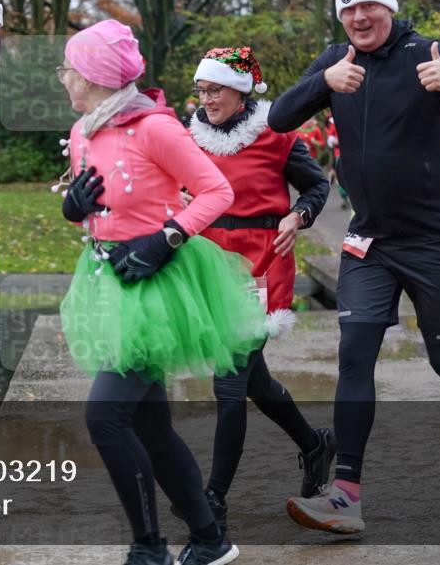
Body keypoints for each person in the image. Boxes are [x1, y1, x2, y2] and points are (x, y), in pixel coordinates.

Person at [269, 0, 440, 534]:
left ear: (388, 6)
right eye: (350, 11)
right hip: (369, 242)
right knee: (355, 355)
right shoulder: (336, 61)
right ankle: (346, 493)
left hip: (433, 240)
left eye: (371, 7)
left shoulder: (425, 51)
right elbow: (279, 118)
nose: (360, 19)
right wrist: (321, 84)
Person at [58, 20, 267, 565]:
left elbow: (216, 191)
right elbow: (96, 207)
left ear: (96, 76)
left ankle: (149, 548)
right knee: (150, 428)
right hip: (109, 281)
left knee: (105, 419)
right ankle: (209, 540)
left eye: (70, 68)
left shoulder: (155, 127)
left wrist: (165, 238)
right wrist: (74, 209)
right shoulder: (84, 130)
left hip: (158, 288)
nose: (63, 78)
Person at [186, 46, 334, 531]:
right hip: (209, 267)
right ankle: (315, 445)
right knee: (256, 383)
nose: (205, 99)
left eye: (215, 90)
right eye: (201, 90)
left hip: (260, 270)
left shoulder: (277, 134)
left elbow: (316, 187)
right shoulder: (191, 135)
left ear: (242, 90)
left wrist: (298, 215)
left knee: (228, 382)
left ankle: (214, 497)